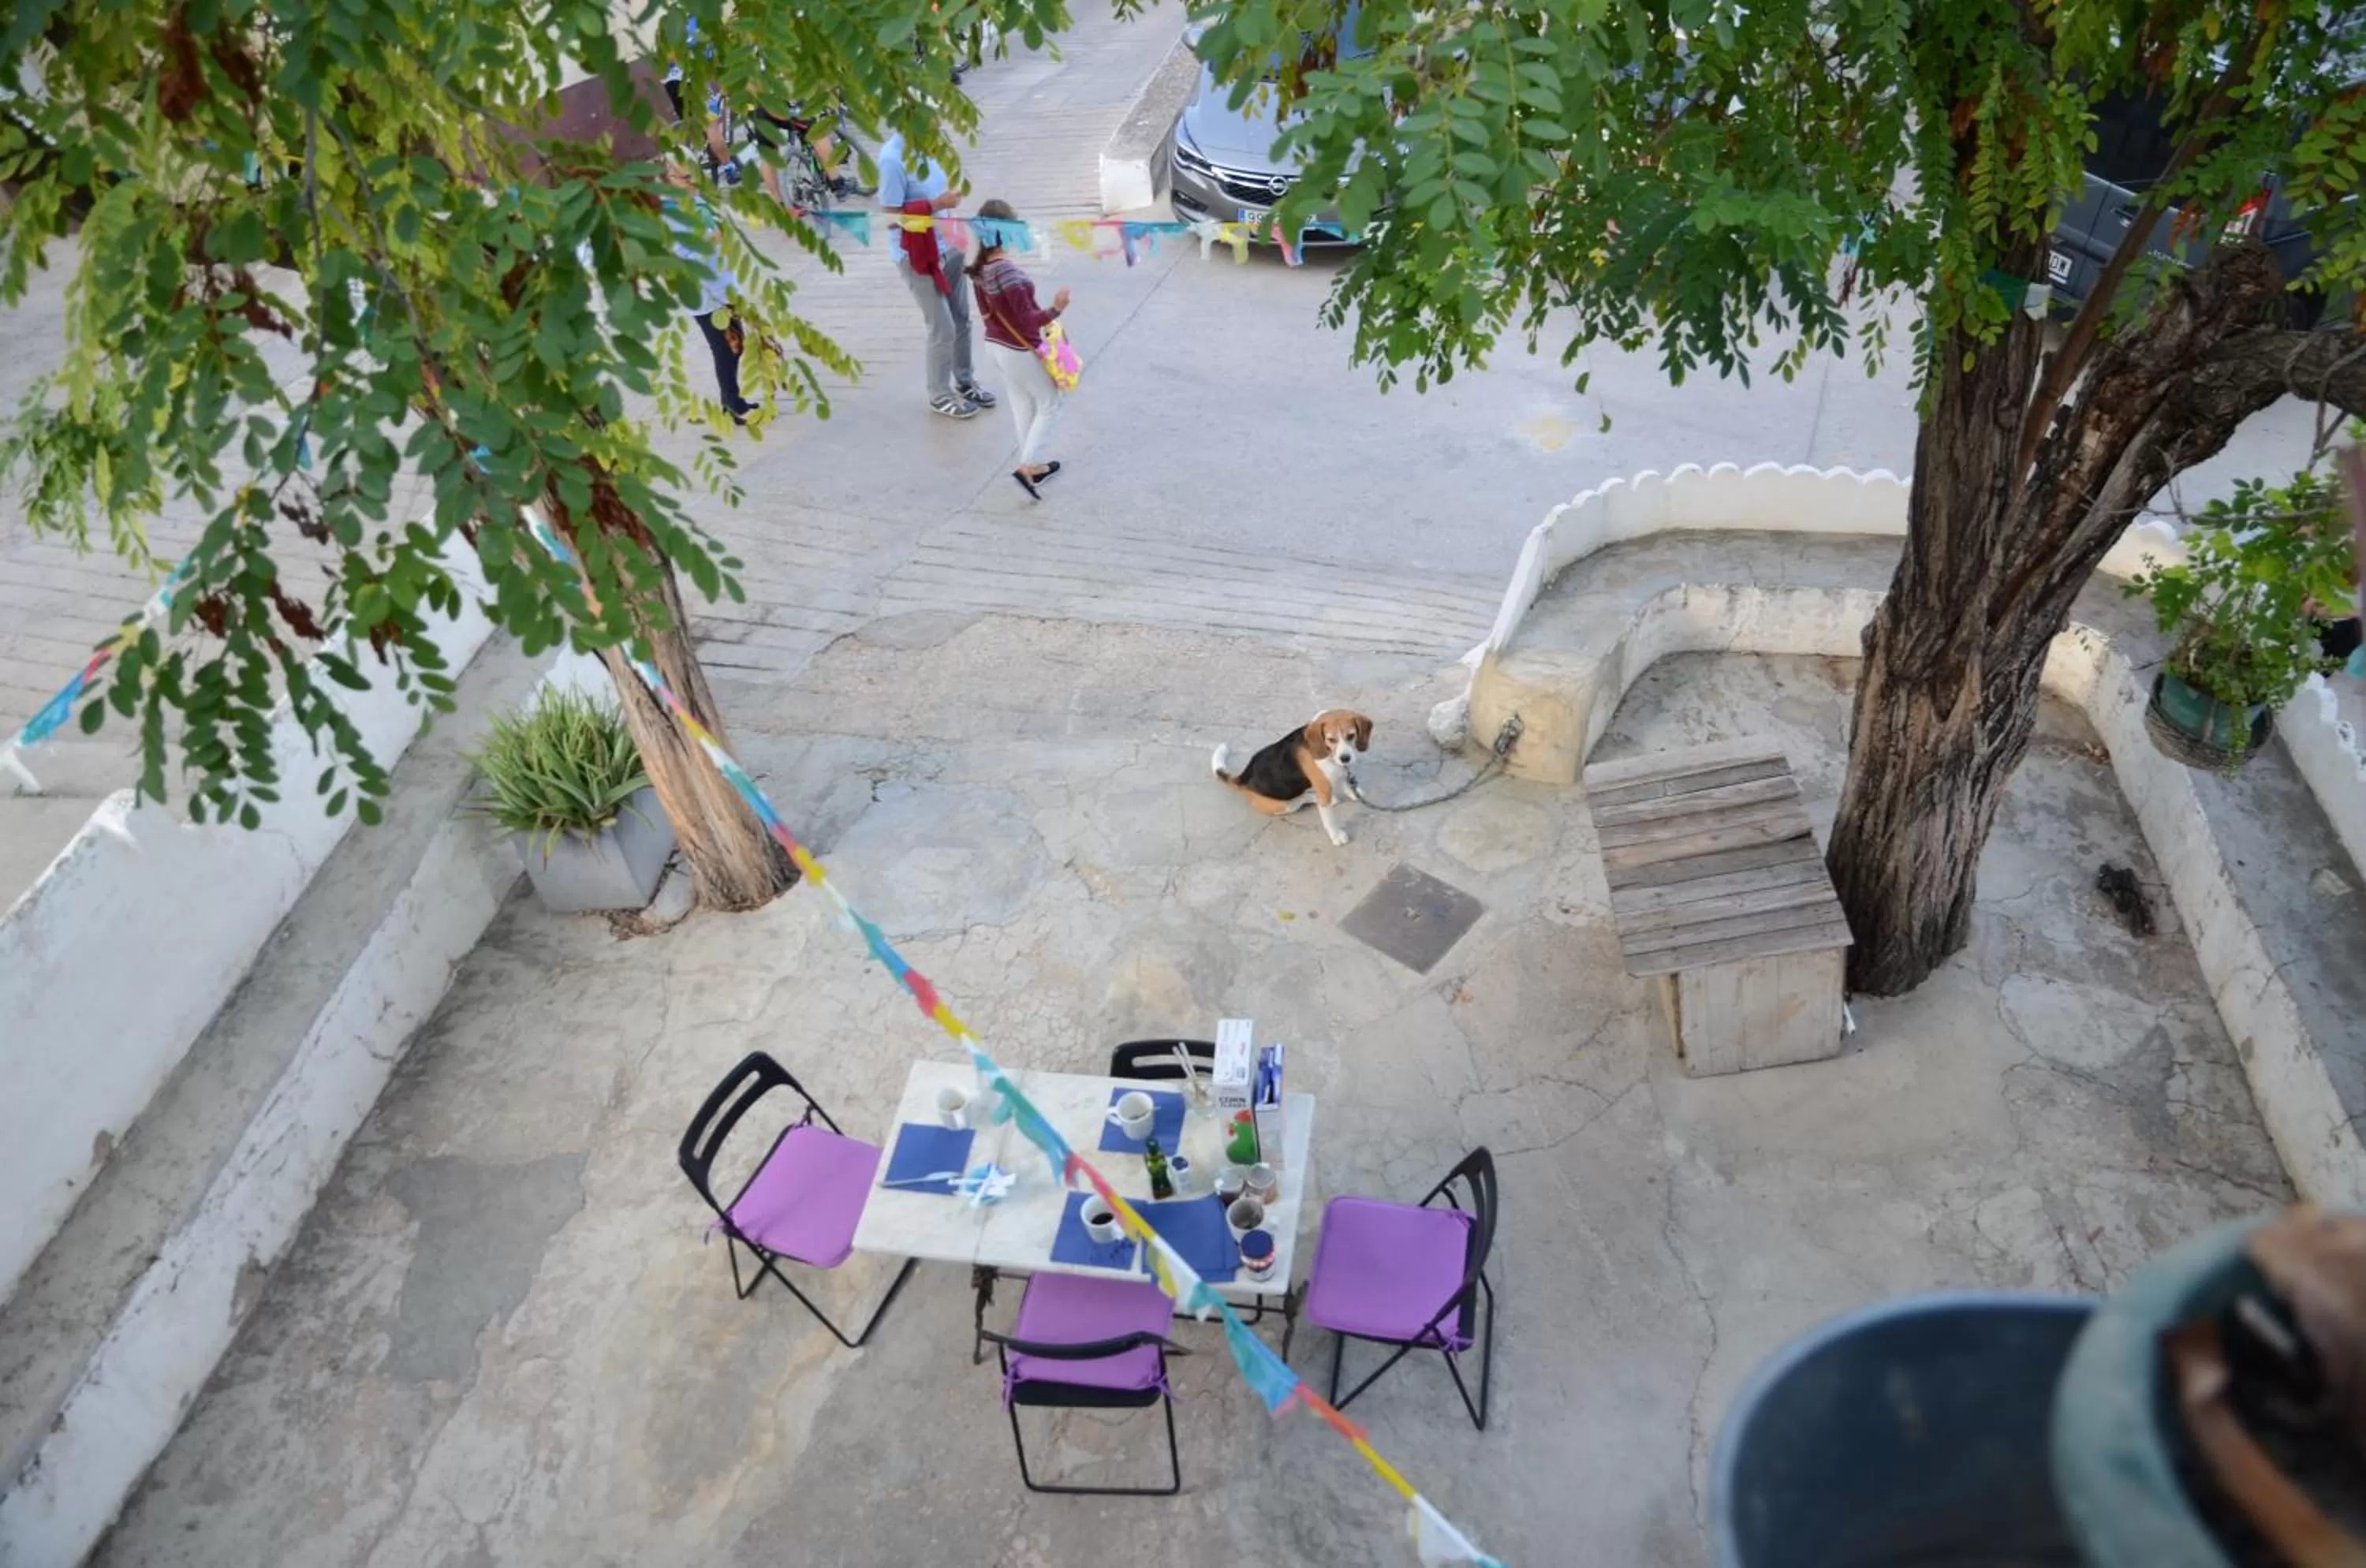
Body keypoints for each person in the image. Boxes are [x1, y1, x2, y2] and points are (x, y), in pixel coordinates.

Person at [876, 129, 993, 419]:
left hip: (948, 243)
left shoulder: (930, 146)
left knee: (962, 318)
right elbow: (891, 218)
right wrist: (938, 205)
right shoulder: (892, 159)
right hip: (917, 253)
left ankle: (965, 382)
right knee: (943, 327)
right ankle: (939, 393)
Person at [969, 199, 1069, 499]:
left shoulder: (979, 270)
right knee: (1050, 402)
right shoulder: (1007, 273)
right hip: (1016, 347)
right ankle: (1027, 466)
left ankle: (1033, 465)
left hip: (995, 345)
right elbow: (1027, 321)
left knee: (1023, 404)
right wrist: (1056, 309)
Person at [663, 161, 756, 424]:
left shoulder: (694, 199)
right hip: (705, 292)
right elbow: (682, 256)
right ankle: (732, 404)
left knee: (735, 344)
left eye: (694, 174)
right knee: (726, 348)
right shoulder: (668, 214)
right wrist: (709, 240)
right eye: (684, 178)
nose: (692, 181)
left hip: (722, 284)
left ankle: (733, 400)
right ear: (667, 179)